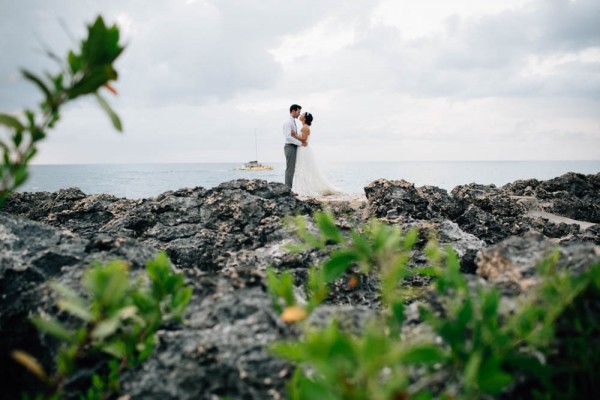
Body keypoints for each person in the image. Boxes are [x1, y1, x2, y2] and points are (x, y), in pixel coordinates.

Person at [292, 112, 341, 196]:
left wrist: (294, 135)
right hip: (303, 149)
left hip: (304, 150)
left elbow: (303, 140)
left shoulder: (305, 128)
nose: (300, 115)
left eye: (302, 114)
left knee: (305, 169)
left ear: (305, 118)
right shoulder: (304, 127)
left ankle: (306, 189)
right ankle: (304, 188)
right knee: (303, 169)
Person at [282, 104, 305, 192]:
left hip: (293, 146)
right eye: (298, 112)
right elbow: (288, 137)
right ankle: (288, 190)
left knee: (292, 168)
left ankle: (289, 189)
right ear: (293, 111)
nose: (299, 114)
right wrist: (299, 143)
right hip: (290, 147)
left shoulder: (292, 121)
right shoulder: (288, 122)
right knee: (290, 169)